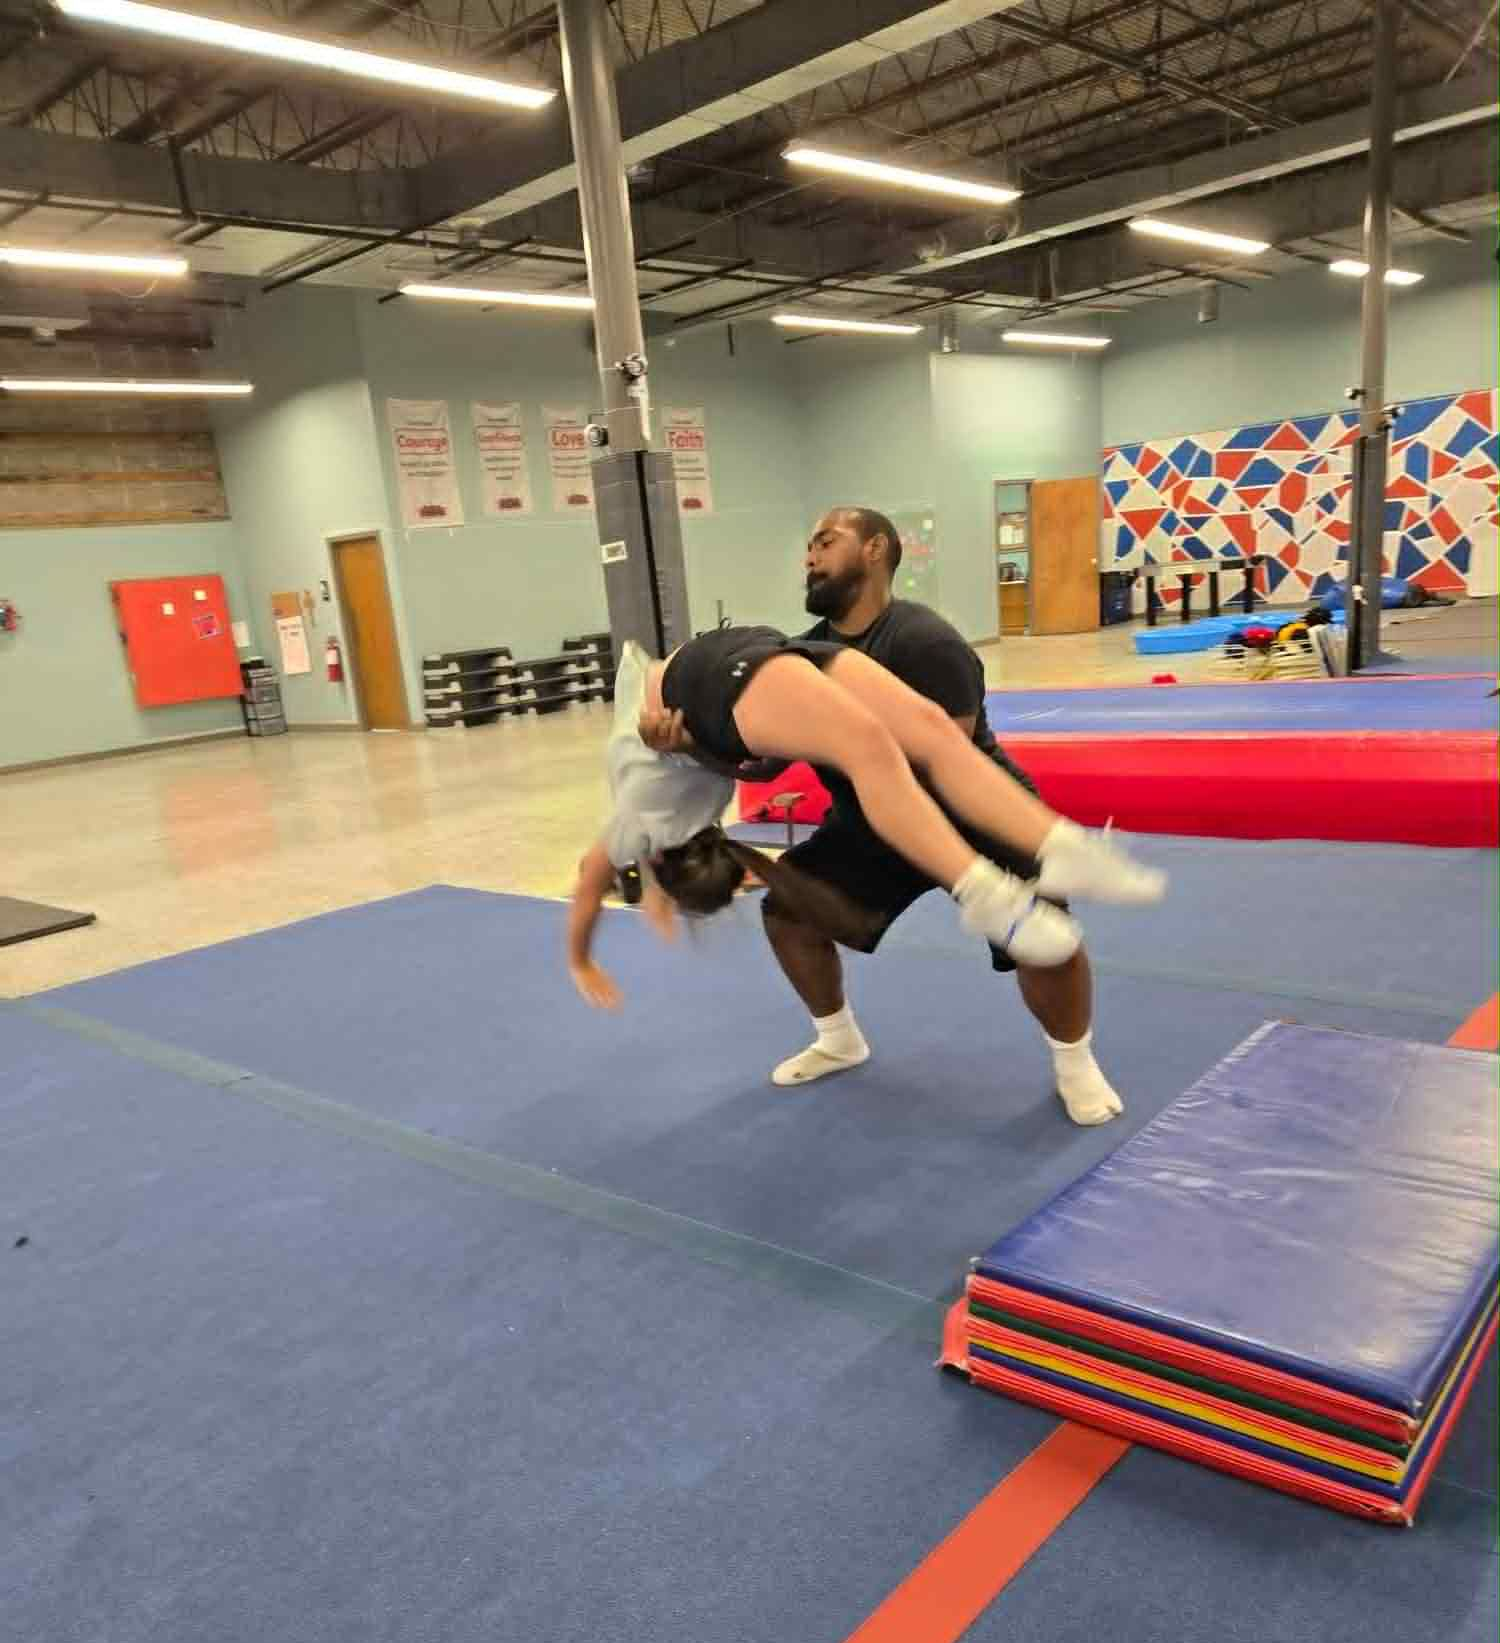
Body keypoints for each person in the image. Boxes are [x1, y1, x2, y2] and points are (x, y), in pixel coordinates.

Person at [648, 506, 1137, 1127]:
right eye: (808, 545)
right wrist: (691, 746)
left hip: (973, 813)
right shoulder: (802, 655)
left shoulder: (923, 640)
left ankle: (1076, 1064)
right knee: (789, 911)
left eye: (825, 542)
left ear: (876, 549)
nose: (809, 556)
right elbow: (765, 767)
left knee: (1047, 938)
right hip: (868, 818)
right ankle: (838, 1039)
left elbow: (943, 761)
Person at [566, 615, 1165, 1014]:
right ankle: (1021, 869)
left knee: (901, 739)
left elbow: (590, 887)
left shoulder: (644, 824)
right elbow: (601, 881)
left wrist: (583, 960)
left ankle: (1054, 852)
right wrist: (645, 910)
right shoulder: (647, 826)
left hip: (718, 677)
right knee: (915, 737)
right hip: (719, 668)